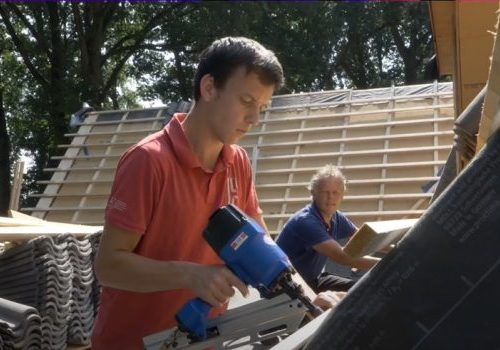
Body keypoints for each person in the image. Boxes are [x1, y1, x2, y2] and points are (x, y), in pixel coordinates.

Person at [91, 37, 333, 350]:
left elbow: (264, 244)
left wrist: (312, 300)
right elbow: (108, 267)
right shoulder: (149, 161)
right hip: (131, 343)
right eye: (246, 101)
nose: (254, 119)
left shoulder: (239, 163)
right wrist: (190, 275)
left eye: (262, 108)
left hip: (205, 341)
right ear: (209, 88)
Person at [277, 164, 380, 294]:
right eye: (325, 192)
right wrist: (386, 263)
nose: (331, 197)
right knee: (348, 299)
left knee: (361, 290)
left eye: (335, 192)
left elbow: (364, 238)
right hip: (287, 289)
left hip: (313, 279)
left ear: (342, 195)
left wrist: (396, 247)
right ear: (313, 193)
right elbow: (341, 257)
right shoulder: (306, 221)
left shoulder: (336, 217)